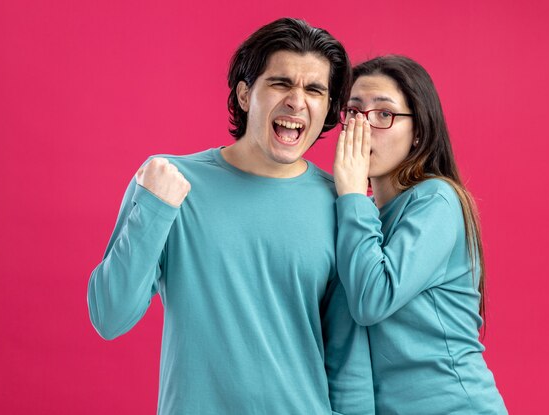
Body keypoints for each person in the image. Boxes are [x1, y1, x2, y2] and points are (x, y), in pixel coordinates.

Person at [88, 18, 374, 414]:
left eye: (314, 90)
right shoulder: (168, 183)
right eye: (280, 83)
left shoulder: (341, 203)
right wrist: (153, 210)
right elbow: (109, 315)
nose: (297, 101)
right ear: (244, 94)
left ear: (327, 108)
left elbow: (348, 361)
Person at [333, 55, 507, 414]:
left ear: (418, 133)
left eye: (384, 114)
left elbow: (372, 300)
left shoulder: (437, 199)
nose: (362, 127)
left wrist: (351, 194)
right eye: (353, 112)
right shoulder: (364, 218)